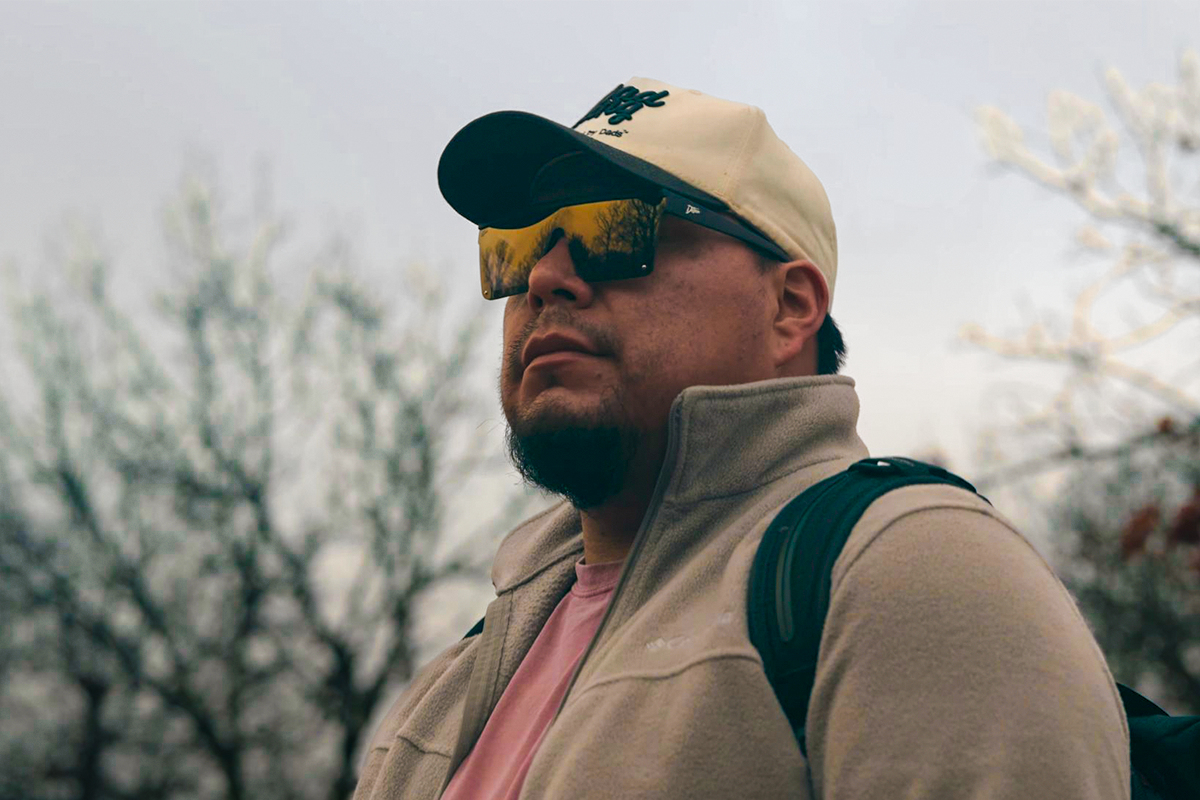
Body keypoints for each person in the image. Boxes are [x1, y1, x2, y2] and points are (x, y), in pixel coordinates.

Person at [352, 78, 1130, 799]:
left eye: (616, 228)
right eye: (518, 246)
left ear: (790, 306)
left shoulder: (907, 572)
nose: (548, 278)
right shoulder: (456, 678)